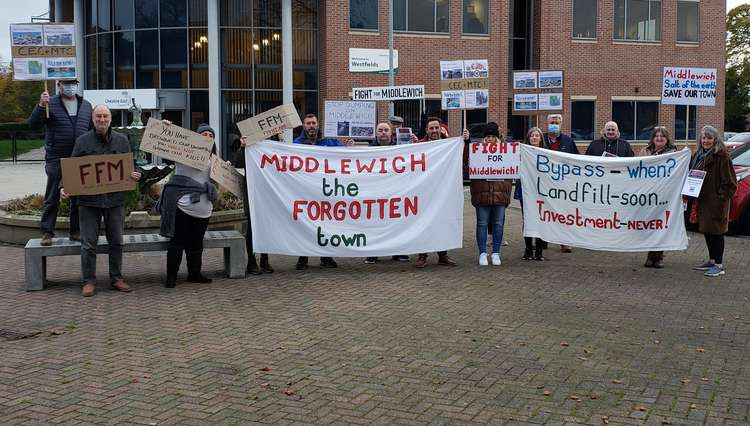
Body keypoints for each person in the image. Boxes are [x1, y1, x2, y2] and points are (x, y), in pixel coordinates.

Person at [60, 105, 141, 297]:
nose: (102, 120)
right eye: (98, 116)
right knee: (88, 244)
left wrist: (135, 173)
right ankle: (88, 281)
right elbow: (72, 169)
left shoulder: (122, 141)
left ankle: (117, 278)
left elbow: (131, 165)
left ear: (110, 119)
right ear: (93, 118)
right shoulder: (82, 141)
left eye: (105, 116)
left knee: (117, 242)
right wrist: (64, 187)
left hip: (115, 201)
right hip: (89, 202)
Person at [28, 78, 93, 246]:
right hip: (56, 158)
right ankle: (47, 232)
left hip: (78, 158)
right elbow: (33, 125)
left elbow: (91, 131)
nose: (71, 87)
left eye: (73, 83)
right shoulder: (50, 103)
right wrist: (41, 106)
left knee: (77, 197)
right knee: (52, 197)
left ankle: (76, 231)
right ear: (59, 85)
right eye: (67, 83)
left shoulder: (86, 105)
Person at [156, 123, 219, 288]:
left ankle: (194, 273)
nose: (207, 138)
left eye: (210, 136)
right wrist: (166, 128)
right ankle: (171, 277)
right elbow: (165, 147)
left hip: (204, 209)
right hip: (182, 207)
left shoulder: (215, 159)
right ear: (196, 137)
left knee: (197, 243)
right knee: (177, 242)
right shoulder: (182, 153)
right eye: (204, 135)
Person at [293, 113, 353, 270]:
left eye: (313, 123)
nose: (311, 126)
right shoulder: (297, 144)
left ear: (318, 124)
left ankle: (326, 257)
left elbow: (343, 156)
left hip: (327, 191)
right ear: (304, 126)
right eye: (308, 123)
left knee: (327, 224)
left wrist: (348, 147)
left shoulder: (330, 141)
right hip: (306, 191)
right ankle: (303, 257)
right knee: (304, 224)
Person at [690, 125, 737, 277]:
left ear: (715, 139)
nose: (706, 141)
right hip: (703, 200)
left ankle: (719, 265)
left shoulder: (721, 156)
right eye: (703, 138)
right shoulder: (699, 155)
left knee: (716, 233)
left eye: (709, 138)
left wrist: (720, 198)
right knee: (708, 231)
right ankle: (711, 260)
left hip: (716, 202)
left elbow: (730, 183)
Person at [463, 122, 511, 266]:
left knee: (498, 224)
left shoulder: (506, 151)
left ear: (497, 138)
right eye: (488, 136)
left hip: (499, 194)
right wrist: (467, 143)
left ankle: (496, 252)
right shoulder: (476, 152)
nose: (490, 139)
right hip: (481, 194)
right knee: (482, 224)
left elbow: (512, 168)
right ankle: (482, 253)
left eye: (492, 136)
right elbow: (466, 165)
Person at [364, 123, 412, 264]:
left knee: (396, 222)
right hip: (375, 193)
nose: (383, 133)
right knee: (374, 223)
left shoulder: (401, 148)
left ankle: (398, 252)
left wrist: (414, 144)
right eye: (380, 130)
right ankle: (373, 253)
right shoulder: (367, 150)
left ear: (391, 133)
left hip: (395, 192)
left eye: (386, 130)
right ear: (376, 133)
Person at [414, 117, 457, 268]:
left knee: (442, 223)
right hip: (424, 192)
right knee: (423, 223)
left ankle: (442, 255)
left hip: (442, 191)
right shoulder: (419, 145)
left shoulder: (449, 144)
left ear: (441, 129)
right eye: (431, 128)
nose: (434, 131)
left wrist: (466, 140)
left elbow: (462, 158)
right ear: (426, 130)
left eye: (436, 128)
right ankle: (422, 255)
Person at [639, 127, 678, 269]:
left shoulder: (673, 154)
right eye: (657, 136)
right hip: (648, 195)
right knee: (650, 225)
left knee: (660, 226)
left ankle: (659, 256)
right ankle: (650, 255)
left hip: (664, 195)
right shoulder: (645, 151)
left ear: (667, 139)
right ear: (653, 138)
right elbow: (636, 168)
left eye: (662, 136)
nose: (659, 138)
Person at [234, 135, 274, 275]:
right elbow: (238, 163)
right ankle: (251, 261)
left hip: (268, 196)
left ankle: (265, 259)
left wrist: (281, 141)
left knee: (267, 228)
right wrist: (242, 148)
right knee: (251, 229)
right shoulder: (249, 148)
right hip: (252, 194)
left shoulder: (271, 147)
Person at [543, 114, 578, 253]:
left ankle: (564, 241)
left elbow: (577, 160)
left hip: (563, 186)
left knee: (564, 213)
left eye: (557, 122)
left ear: (561, 124)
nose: (554, 124)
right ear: (547, 122)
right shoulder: (541, 139)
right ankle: (543, 239)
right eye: (552, 122)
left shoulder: (569, 142)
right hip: (544, 184)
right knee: (544, 212)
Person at [515, 127, 547, 260]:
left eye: (537, 136)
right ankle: (528, 248)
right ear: (528, 138)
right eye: (532, 135)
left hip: (542, 192)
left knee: (541, 219)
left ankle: (539, 250)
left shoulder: (547, 154)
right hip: (526, 190)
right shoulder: (521, 153)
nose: (534, 138)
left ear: (541, 139)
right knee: (527, 218)